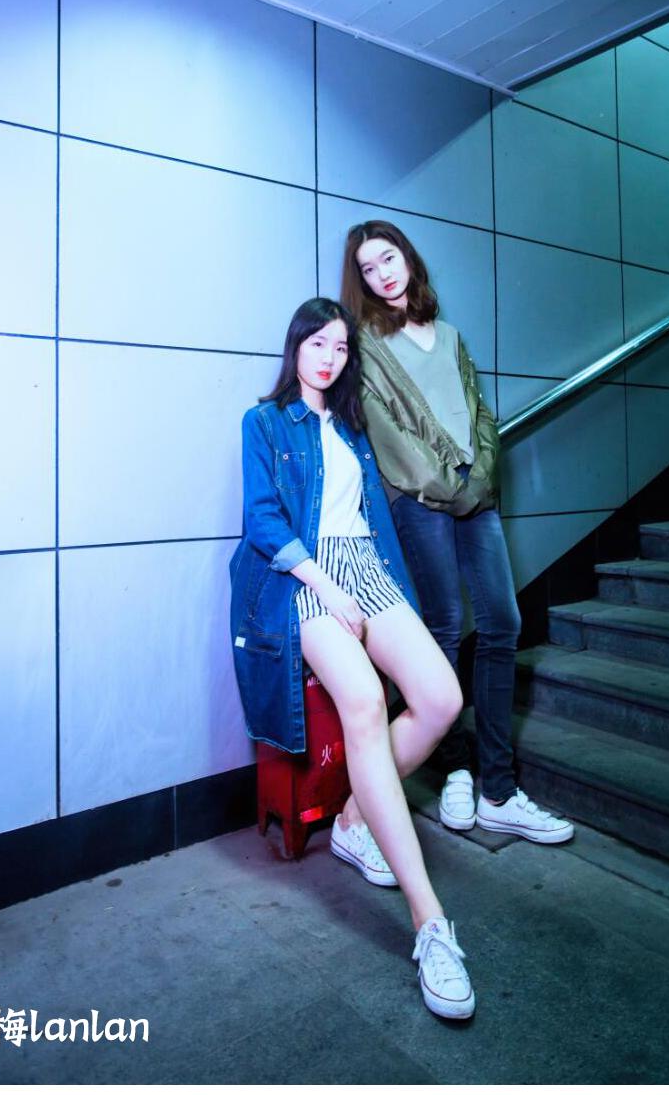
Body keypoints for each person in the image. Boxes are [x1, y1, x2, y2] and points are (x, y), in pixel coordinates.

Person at [230, 297, 476, 1019]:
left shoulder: (352, 428)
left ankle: (351, 819)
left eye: (340, 347)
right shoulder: (265, 422)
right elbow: (263, 519)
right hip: (303, 576)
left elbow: (377, 516)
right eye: (318, 343)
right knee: (365, 701)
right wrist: (327, 587)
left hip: (367, 567)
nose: (329, 357)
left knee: (441, 699)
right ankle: (431, 924)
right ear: (296, 347)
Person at [341, 220, 574, 846]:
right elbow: (388, 436)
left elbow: (481, 416)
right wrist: (450, 485)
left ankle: (498, 789)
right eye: (368, 268)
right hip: (420, 501)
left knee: (501, 623)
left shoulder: (447, 335)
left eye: (389, 258)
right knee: (442, 628)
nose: (382, 274)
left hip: (476, 498)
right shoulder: (365, 346)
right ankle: (456, 771)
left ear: (408, 259)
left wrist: (482, 478)